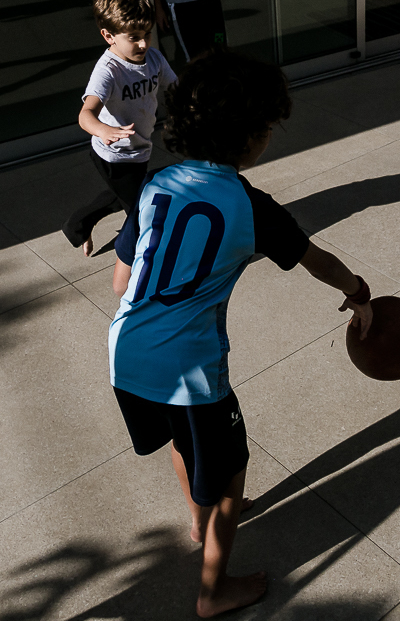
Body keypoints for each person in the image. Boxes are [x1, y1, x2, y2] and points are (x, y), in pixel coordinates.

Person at [108, 48, 374, 617]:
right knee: (230, 470)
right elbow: (319, 262)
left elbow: (119, 279)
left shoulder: (156, 184)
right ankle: (213, 590)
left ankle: (198, 523)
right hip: (190, 367)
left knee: (183, 442)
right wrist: (358, 291)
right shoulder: (251, 207)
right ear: (252, 137)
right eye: (269, 127)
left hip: (126, 351)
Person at [63, 0, 177, 256]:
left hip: (139, 149)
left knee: (122, 196)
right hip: (112, 155)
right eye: (133, 38)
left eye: (147, 34)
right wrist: (103, 130)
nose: (143, 44)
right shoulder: (108, 70)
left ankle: (77, 226)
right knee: (141, 209)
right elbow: (86, 114)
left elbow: (177, 89)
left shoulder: (154, 59)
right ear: (109, 36)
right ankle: (137, 258)